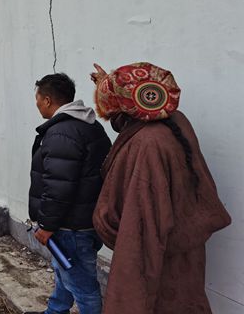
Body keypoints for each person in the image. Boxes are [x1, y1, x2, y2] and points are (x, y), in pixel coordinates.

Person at [90, 62, 232, 314]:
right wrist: (107, 83)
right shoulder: (174, 120)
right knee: (186, 300)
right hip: (183, 247)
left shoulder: (149, 144)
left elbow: (142, 234)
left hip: (159, 254)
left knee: (162, 303)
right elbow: (128, 120)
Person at [29, 73, 111, 314]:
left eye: (37, 99)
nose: (37, 104)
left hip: (71, 226)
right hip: (86, 220)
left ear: (47, 100)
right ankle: (54, 311)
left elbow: (58, 186)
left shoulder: (61, 133)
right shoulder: (90, 126)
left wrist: (47, 225)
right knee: (65, 273)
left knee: (82, 286)